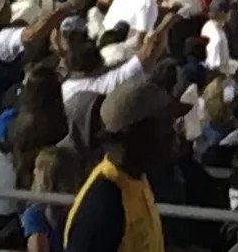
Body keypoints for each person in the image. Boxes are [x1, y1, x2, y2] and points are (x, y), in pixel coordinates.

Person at [65, 78, 178, 252]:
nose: (174, 138)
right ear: (136, 135)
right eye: (166, 128)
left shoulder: (138, 180)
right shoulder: (103, 206)